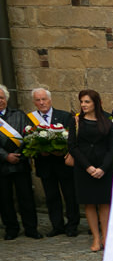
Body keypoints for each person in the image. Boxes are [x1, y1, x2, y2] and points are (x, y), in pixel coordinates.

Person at [69, 89, 113, 252]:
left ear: (96, 103)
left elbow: (112, 148)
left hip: (104, 167)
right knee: (89, 203)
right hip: (84, 167)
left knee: (104, 203)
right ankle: (96, 237)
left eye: (87, 101)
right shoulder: (76, 121)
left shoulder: (107, 122)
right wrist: (88, 167)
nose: (83, 105)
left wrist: (103, 168)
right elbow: (73, 146)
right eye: (82, 101)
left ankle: (106, 236)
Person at [29, 88, 77, 237]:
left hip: (63, 163)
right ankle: (57, 226)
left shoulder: (63, 116)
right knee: (51, 196)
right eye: (38, 100)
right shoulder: (30, 119)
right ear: (34, 102)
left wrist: (61, 150)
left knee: (70, 195)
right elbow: (28, 141)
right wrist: (39, 150)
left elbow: (72, 138)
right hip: (45, 165)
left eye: (44, 99)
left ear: (50, 100)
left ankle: (72, 225)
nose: (41, 102)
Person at [0, 84, 41, 240]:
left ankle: (31, 228)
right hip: (2, 165)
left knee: (26, 197)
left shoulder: (19, 115)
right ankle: (11, 228)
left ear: (6, 99)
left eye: (1, 97)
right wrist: (5, 156)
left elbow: (28, 137)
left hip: (20, 163)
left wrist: (18, 155)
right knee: (5, 199)